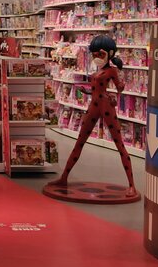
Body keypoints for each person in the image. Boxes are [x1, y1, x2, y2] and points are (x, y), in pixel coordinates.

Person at [50, 34, 137, 197]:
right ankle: (64, 177)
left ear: (109, 54)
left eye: (100, 54)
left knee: (119, 144)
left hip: (105, 106)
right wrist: (87, 91)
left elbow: (119, 87)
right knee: (79, 142)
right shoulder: (100, 70)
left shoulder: (111, 70)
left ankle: (132, 185)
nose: (96, 57)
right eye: (94, 54)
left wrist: (118, 91)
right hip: (94, 106)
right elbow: (97, 89)